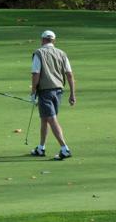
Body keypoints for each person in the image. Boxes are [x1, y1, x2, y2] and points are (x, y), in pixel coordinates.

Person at [30, 30, 76, 159]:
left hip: (45, 91)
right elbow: (69, 74)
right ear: (53, 41)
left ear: (42, 39)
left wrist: (33, 92)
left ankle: (64, 148)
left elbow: (36, 74)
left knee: (51, 119)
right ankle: (41, 148)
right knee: (45, 119)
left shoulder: (39, 53)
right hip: (59, 91)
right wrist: (72, 94)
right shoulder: (62, 53)